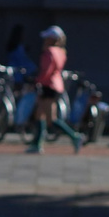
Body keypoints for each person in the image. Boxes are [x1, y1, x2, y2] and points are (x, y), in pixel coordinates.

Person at [22, 25, 83, 154]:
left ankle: (74, 136)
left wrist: (36, 81)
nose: (44, 40)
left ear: (52, 39)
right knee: (40, 114)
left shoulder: (49, 52)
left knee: (51, 118)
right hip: (56, 85)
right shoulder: (61, 52)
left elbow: (46, 71)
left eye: (47, 37)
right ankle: (36, 144)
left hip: (48, 86)